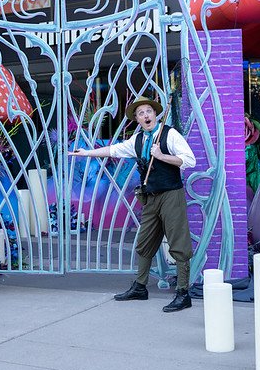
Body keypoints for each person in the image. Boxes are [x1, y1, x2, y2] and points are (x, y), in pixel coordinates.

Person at [69, 97, 196, 312]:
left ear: (155, 115)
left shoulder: (170, 134)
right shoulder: (137, 140)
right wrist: (87, 153)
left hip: (171, 195)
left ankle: (183, 293)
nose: (146, 115)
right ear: (137, 119)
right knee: (144, 242)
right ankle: (140, 287)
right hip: (150, 197)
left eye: (149, 111)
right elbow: (113, 150)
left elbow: (189, 160)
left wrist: (162, 156)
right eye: (141, 113)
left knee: (178, 244)